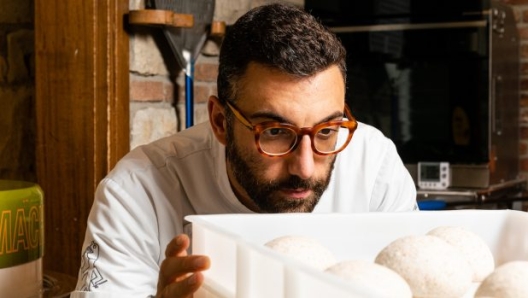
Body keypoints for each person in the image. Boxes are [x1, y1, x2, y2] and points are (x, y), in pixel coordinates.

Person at [71, 3, 418, 298]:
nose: (305, 168)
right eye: (276, 132)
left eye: (327, 131)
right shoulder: (137, 192)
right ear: (221, 122)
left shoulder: (375, 168)